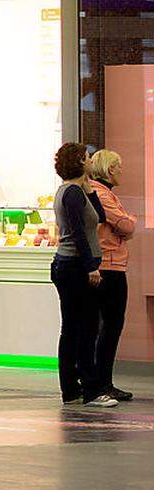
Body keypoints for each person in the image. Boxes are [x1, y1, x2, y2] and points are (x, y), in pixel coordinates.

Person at [51, 143, 117, 408]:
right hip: (76, 266)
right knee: (86, 328)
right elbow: (79, 233)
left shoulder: (76, 191)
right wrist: (91, 266)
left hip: (69, 265)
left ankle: (71, 389)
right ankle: (90, 389)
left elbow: (99, 218)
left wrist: (90, 189)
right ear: (79, 162)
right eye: (88, 159)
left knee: (73, 327)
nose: (91, 162)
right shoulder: (73, 194)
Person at [89, 149, 136, 402]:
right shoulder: (101, 194)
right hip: (109, 266)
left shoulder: (102, 193)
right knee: (110, 324)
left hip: (111, 264)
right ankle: (102, 382)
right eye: (118, 167)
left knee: (108, 325)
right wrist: (128, 223)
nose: (121, 171)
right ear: (109, 170)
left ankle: (102, 380)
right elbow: (126, 225)